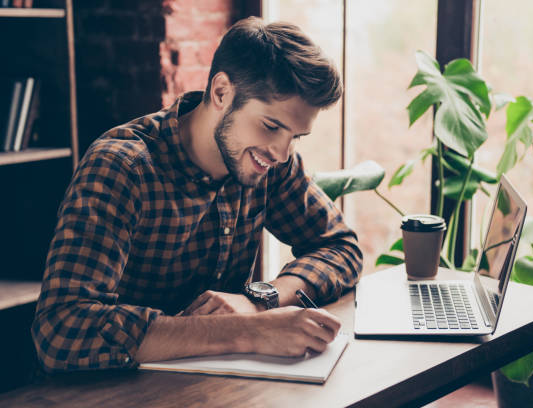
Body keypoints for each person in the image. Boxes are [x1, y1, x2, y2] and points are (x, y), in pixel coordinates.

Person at [31, 17, 362, 372]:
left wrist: (259, 300)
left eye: (295, 136)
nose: (281, 152)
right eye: (271, 126)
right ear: (222, 92)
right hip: (112, 390)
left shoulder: (270, 161)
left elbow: (342, 247)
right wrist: (244, 331)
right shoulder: (123, 167)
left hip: (216, 385)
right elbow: (60, 328)